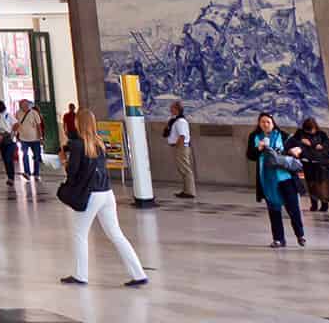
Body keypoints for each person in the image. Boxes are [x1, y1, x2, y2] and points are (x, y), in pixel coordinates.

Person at [58, 112, 148, 288]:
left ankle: (80, 275)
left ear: (78, 123)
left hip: (90, 195)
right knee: (116, 234)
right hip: (106, 193)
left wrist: (63, 161)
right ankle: (139, 274)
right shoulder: (99, 143)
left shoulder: (77, 145)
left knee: (80, 234)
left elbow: (73, 172)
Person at [252, 112, 306, 247]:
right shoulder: (255, 137)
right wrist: (259, 149)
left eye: (268, 122)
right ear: (259, 124)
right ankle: (279, 239)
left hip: (286, 177)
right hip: (268, 179)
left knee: (293, 208)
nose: (265, 124)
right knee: (274, 209)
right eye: (262, 122)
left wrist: (296, 150)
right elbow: (250, 155)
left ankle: (300, 235)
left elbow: (299, 148)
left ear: (273, 123)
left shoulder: (283, 135)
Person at [288, 117, 329, 213]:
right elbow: (291, 143)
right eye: (308, 130)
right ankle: (314, 204)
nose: (311, 132)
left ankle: (324, 203)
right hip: (307, 162)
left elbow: (327, 144)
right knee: (311, 183)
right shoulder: (300, 134)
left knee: (321, 183)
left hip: (320, 162)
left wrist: (317, 145)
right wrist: (301, 142)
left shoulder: (321, 134)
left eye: (312, 130)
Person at [165, 100, 196, 198]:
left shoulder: (181, 122)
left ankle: (190, 191)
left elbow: (182, 136)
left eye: (172, 108)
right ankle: (186, 190)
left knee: (185, 169)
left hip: (181, 147)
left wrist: (178, 146)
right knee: (182, 169)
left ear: (177, 109)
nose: (170, 110)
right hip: (179, 147)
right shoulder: (175, 120)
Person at [15, 98, 45, 179]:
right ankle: (27, 173)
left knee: (36, 157)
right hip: (23, 139)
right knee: (25, 155)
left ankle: (36, 174)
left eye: (25, 105)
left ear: (28, 105)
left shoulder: (34, 113)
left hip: (35, 139)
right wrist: (16, 135)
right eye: (21, 105)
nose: (23, 107)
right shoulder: (18, 113)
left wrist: (41, 137)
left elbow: (39, 126)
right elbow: (17, 124)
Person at [0, 98, 17, 188]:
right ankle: (9, 177)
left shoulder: (8, 115)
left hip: (9, 139)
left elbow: (16, 124)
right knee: (5, 160)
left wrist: (12, 134)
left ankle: (11, 177)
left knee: (8, 158)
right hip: (1, 139)